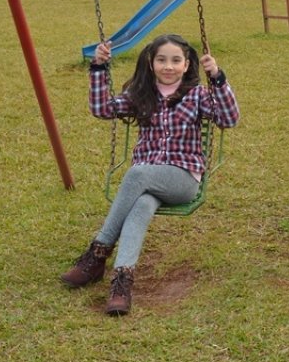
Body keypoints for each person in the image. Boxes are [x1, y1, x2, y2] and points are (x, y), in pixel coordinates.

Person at [61, 34, 240, 315]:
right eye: (161, 60)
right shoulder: (140, 95)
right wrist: (98, 67)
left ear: (187, 64)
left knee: (136, 175)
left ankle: (97, 253)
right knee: (141, 205)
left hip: (182, 179)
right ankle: (122, 281)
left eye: (175, 60)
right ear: (151, 62)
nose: (168, 66)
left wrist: (216, 76)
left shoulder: (196, 95)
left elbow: (229, 119)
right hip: (148, 181)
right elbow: (102, 109)